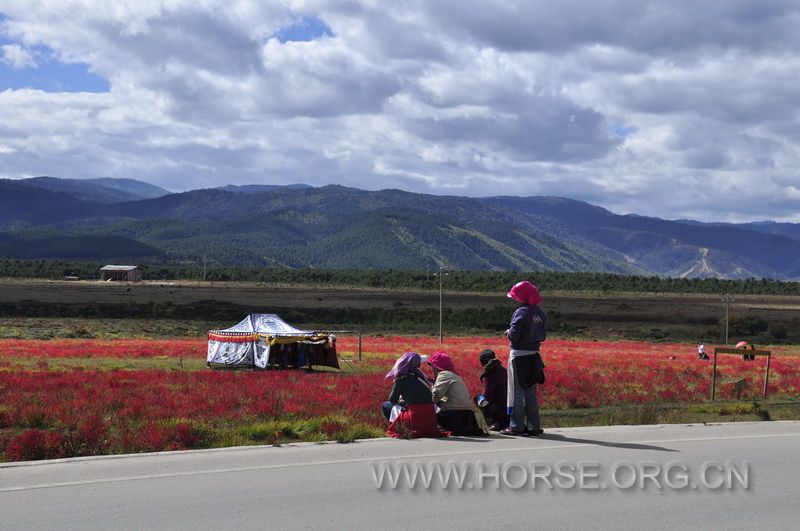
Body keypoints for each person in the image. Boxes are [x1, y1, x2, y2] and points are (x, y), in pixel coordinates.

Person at [504, 280, 547, 436]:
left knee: (517, 391)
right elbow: (543, 336)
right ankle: (534, 426)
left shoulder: (521, 312)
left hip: (519, 356)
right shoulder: (539, 313)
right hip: (534, 356)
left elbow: (514, 335)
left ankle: (516, 426)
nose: (515, 299)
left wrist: (508, 332)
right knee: (530, 391)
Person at [382, 352, 444, 439]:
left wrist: (403, 401)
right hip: (430, 417)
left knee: (386, 405)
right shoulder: (422, 377)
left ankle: (400, 428)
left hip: (414, 416)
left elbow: (393, 400)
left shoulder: (401, 380)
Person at [427, 351, 484, 436]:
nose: (432, 369)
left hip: (453, 414)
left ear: (437, 366)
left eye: (433, 366)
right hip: (468, 415)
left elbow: (435, 395)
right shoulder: (454, 375)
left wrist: (425, 402)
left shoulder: (444, 374)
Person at [476, 349, 509, 430]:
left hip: (500, 407)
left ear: (482, 362)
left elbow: (486, 396)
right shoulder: (503, 370)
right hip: (510, 405)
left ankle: (494, 423)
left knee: (479, 398)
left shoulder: (487, 374)